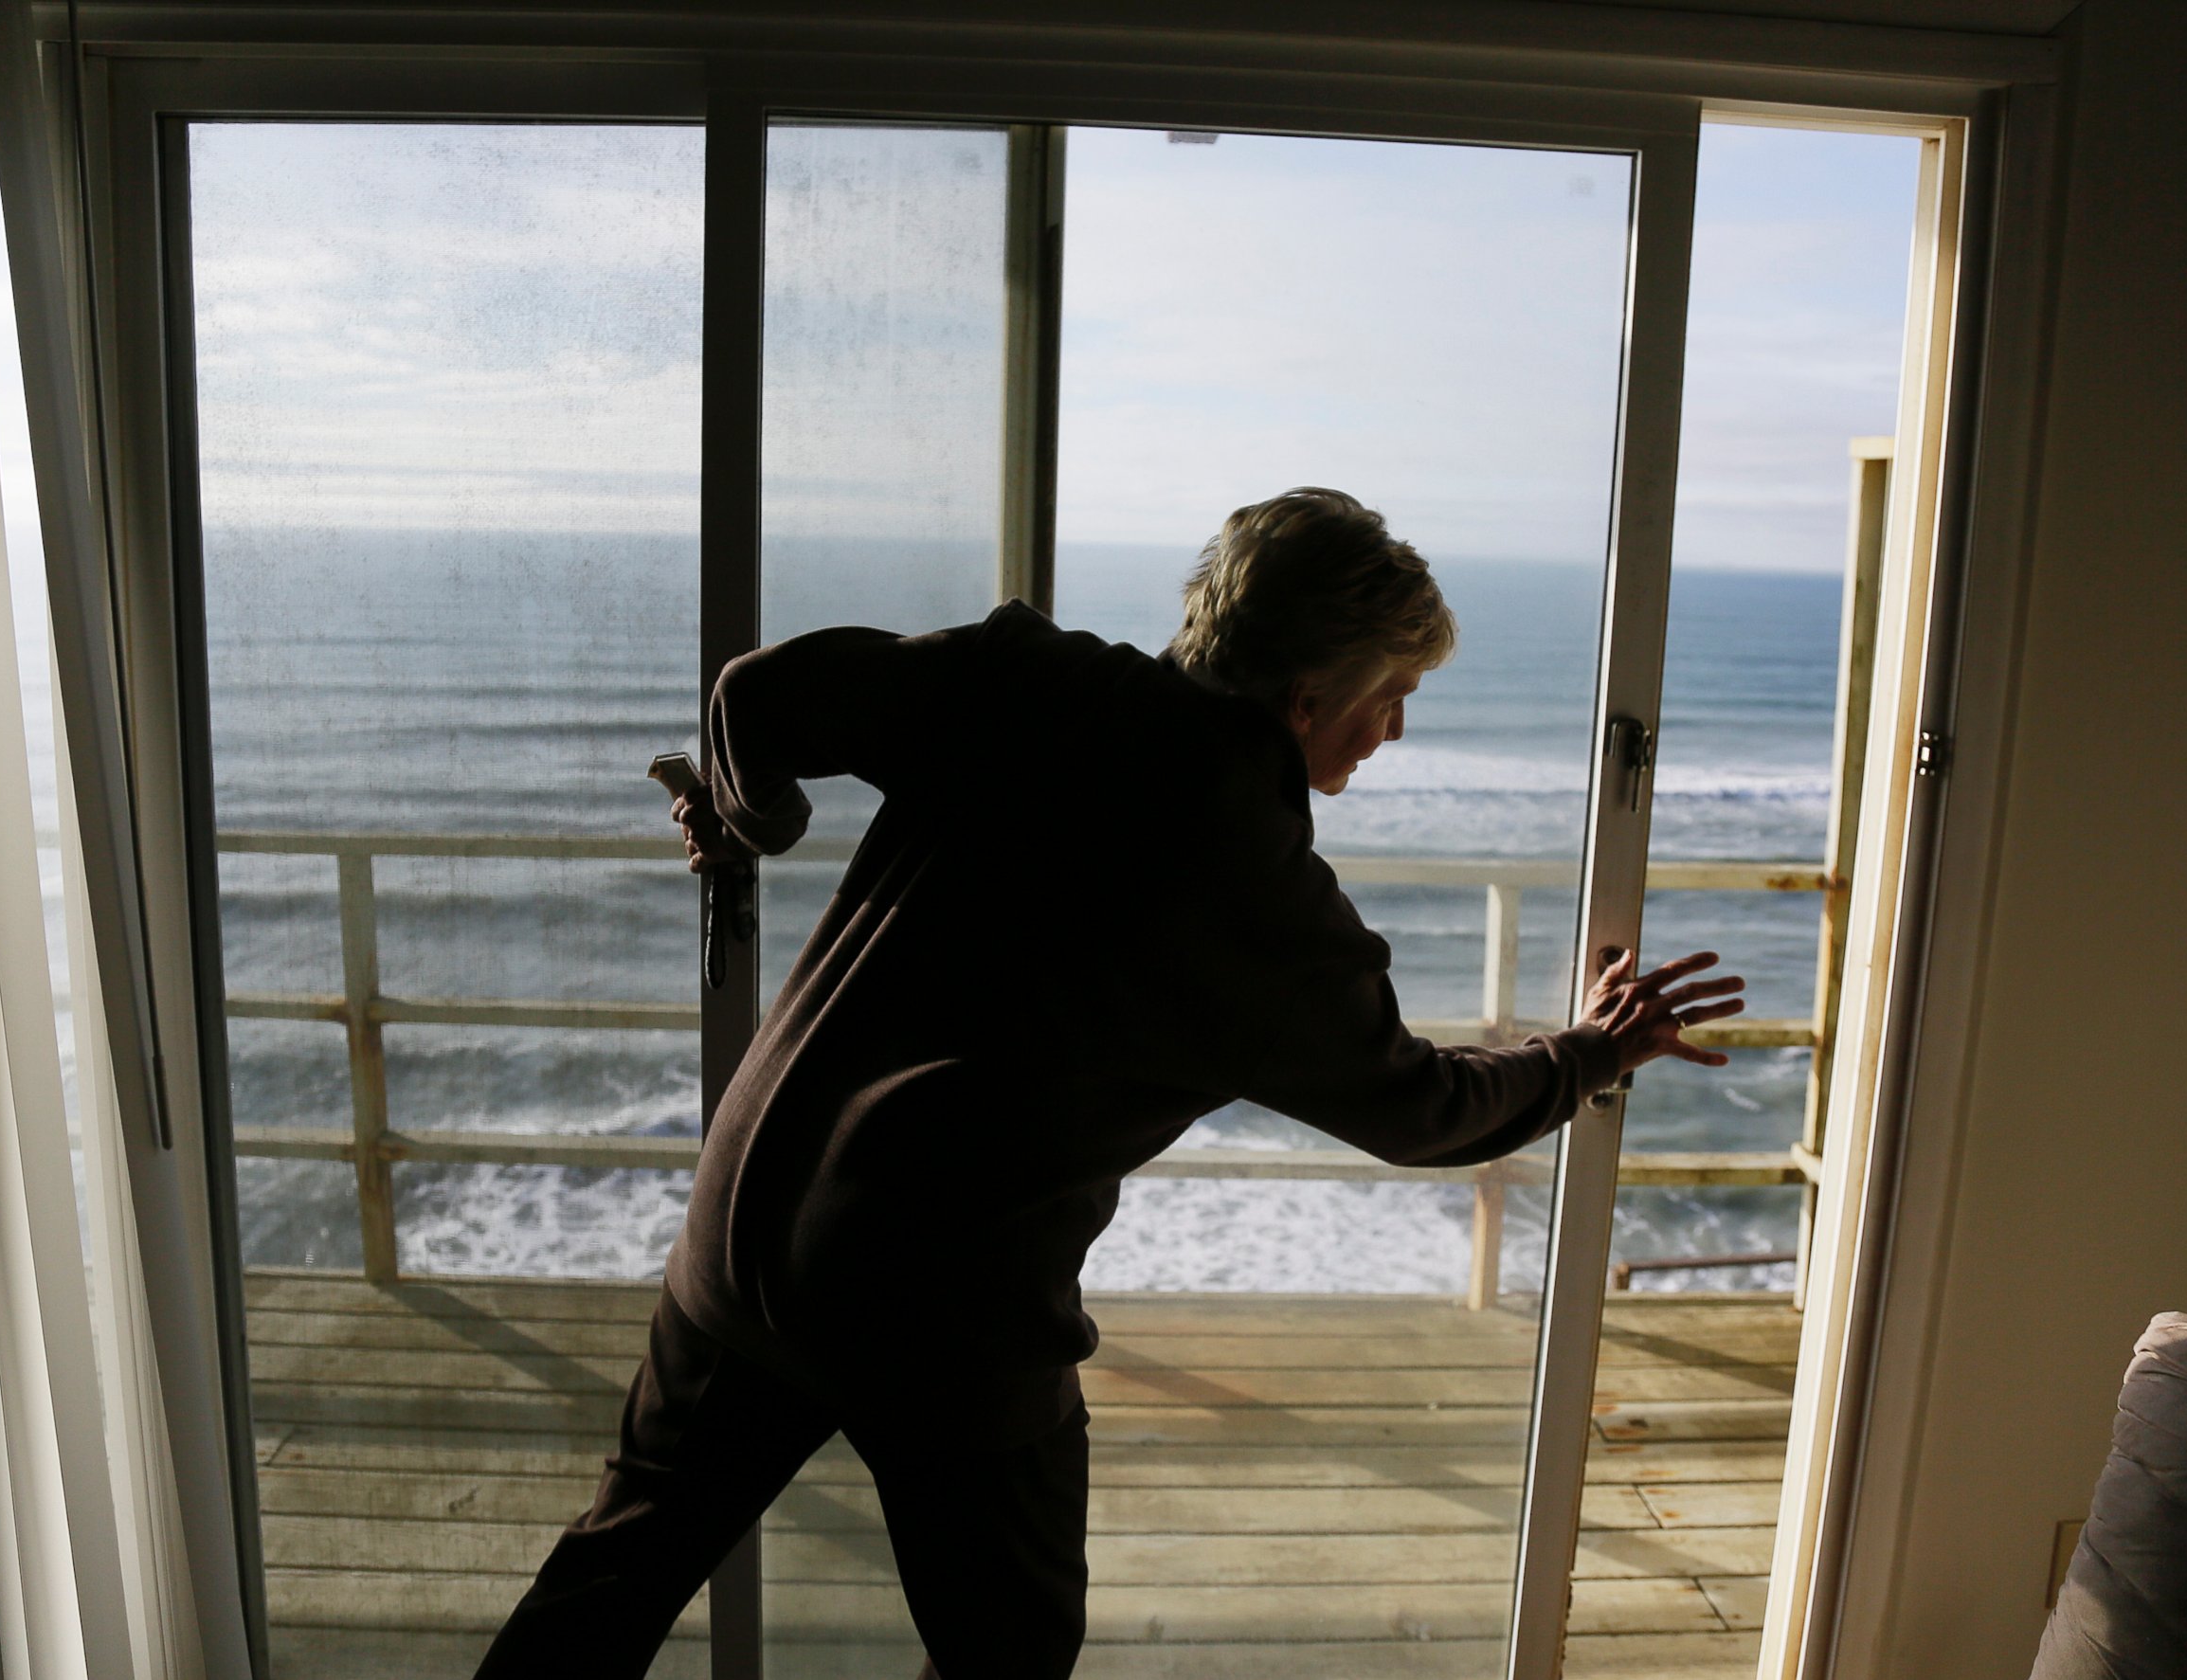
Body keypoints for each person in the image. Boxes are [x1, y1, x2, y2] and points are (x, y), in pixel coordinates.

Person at [473, 487, 1745, 1680]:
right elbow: (1422, 1107)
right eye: (1395, 692)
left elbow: (755, 699)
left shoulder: (1029, 677)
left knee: (611, 1582)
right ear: (1308, 698)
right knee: (1011, 1650)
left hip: (749, 1222)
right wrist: (1592, 1050)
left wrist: (754, 827)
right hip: (944, 1302)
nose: (1398, 724)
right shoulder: (1261, 893)